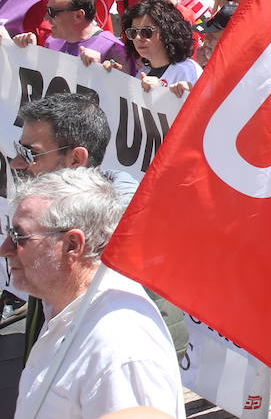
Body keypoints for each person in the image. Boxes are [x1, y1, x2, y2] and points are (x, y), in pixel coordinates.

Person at [7, 169, 185, 419]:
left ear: (72, 245)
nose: (5, 249)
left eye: (19, 236)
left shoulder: (119, 344)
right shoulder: (64, 306)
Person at [10, 0, 130, 71]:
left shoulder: (113, 48)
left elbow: (127, 95)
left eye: (52, 12)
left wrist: (101, 70)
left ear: (78, 16)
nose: (46, 18)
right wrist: (28, 51)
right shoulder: (51, 43)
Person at [120, 0, 201, 95]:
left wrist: (161, 89)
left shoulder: (186, 70)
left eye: (146, 32)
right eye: (132, 32)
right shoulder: (143, 72)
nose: (137, 38)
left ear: (166, 31)